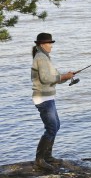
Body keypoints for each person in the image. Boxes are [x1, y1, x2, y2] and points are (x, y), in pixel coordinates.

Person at [31, 33, 74, 170]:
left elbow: (53, 78)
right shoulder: (41, 58)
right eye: (49, 43)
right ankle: (40, 159)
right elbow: (45, 79)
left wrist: (66, 77)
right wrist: (63, 76)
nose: (51, 46)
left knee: (56, 126)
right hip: (43, 98)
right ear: (42, 44)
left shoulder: (44, 57)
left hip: (48, 97)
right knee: (51, 128)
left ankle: (48, 157)